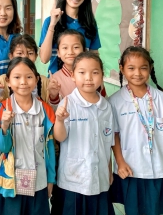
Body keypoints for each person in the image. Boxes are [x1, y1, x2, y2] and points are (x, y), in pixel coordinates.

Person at [109, 46, 163, 215]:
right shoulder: (114, 101)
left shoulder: (161, 98)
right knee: (133, 210)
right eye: (131, 68)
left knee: (154, 210)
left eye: (143, 68)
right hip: (131, 167)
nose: (137, 73)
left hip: (157, 167)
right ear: (122, 69)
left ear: (150, 68)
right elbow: (114, 135)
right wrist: (120, 162)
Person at [0, 57, 56, 215]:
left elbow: (50, 146)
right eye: (17, 77)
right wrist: (4, 127)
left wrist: (51, 178)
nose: (23, 82)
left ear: (36, 79)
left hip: (39, 180)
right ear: (8, 81)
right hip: (11, 182)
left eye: (29, 76)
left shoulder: (45, 110)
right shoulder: (3, 108)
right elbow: (4, 148)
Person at [51, 52, 114, 215]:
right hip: (74, 179)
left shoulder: (107, 107)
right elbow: (60, 137)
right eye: (82, 72)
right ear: (73, 76)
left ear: (102, 75)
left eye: (95, 72)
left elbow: (107, 143)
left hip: (100, 178)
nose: (88, 78)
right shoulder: (67, 103)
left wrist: (109, 169)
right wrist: (59, 120)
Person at [39, 0, 100, 74]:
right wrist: (52, 24)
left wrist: (99, 79)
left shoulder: (90, 23)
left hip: (83, 83)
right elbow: (44, 59)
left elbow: (94, 55)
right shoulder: (49, 22)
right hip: (57, 85)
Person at [0, 34, 50, 103]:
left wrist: (54, 96)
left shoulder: (45, 82)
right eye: (19, 53)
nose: (25, 57)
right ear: (11, 56)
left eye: (30, 53)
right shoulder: (2, 81)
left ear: (36, 56)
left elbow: (50, 111)